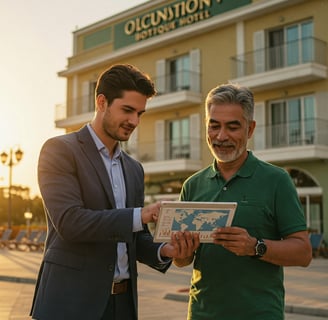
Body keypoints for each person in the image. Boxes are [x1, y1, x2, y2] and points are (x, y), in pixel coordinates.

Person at [30, 64, 199, 320]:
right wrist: (140, 215)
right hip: (69, 305)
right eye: (128, 110)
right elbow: (69, 222)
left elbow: (135, 237)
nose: (134, 121)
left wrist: (166, 250)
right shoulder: (59, 150)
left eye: (140, 113)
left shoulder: (134, 169)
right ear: (102, 102)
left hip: (123, 305)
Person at [173, 83, 312, 320]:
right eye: (214, 125)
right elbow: (182, 260)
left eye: (232, 127)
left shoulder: (277, 180)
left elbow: (304, 252)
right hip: (201, 314)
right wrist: (182, 251)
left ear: (250, 129)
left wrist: (254, 246)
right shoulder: (192, 185)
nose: (221, 136)